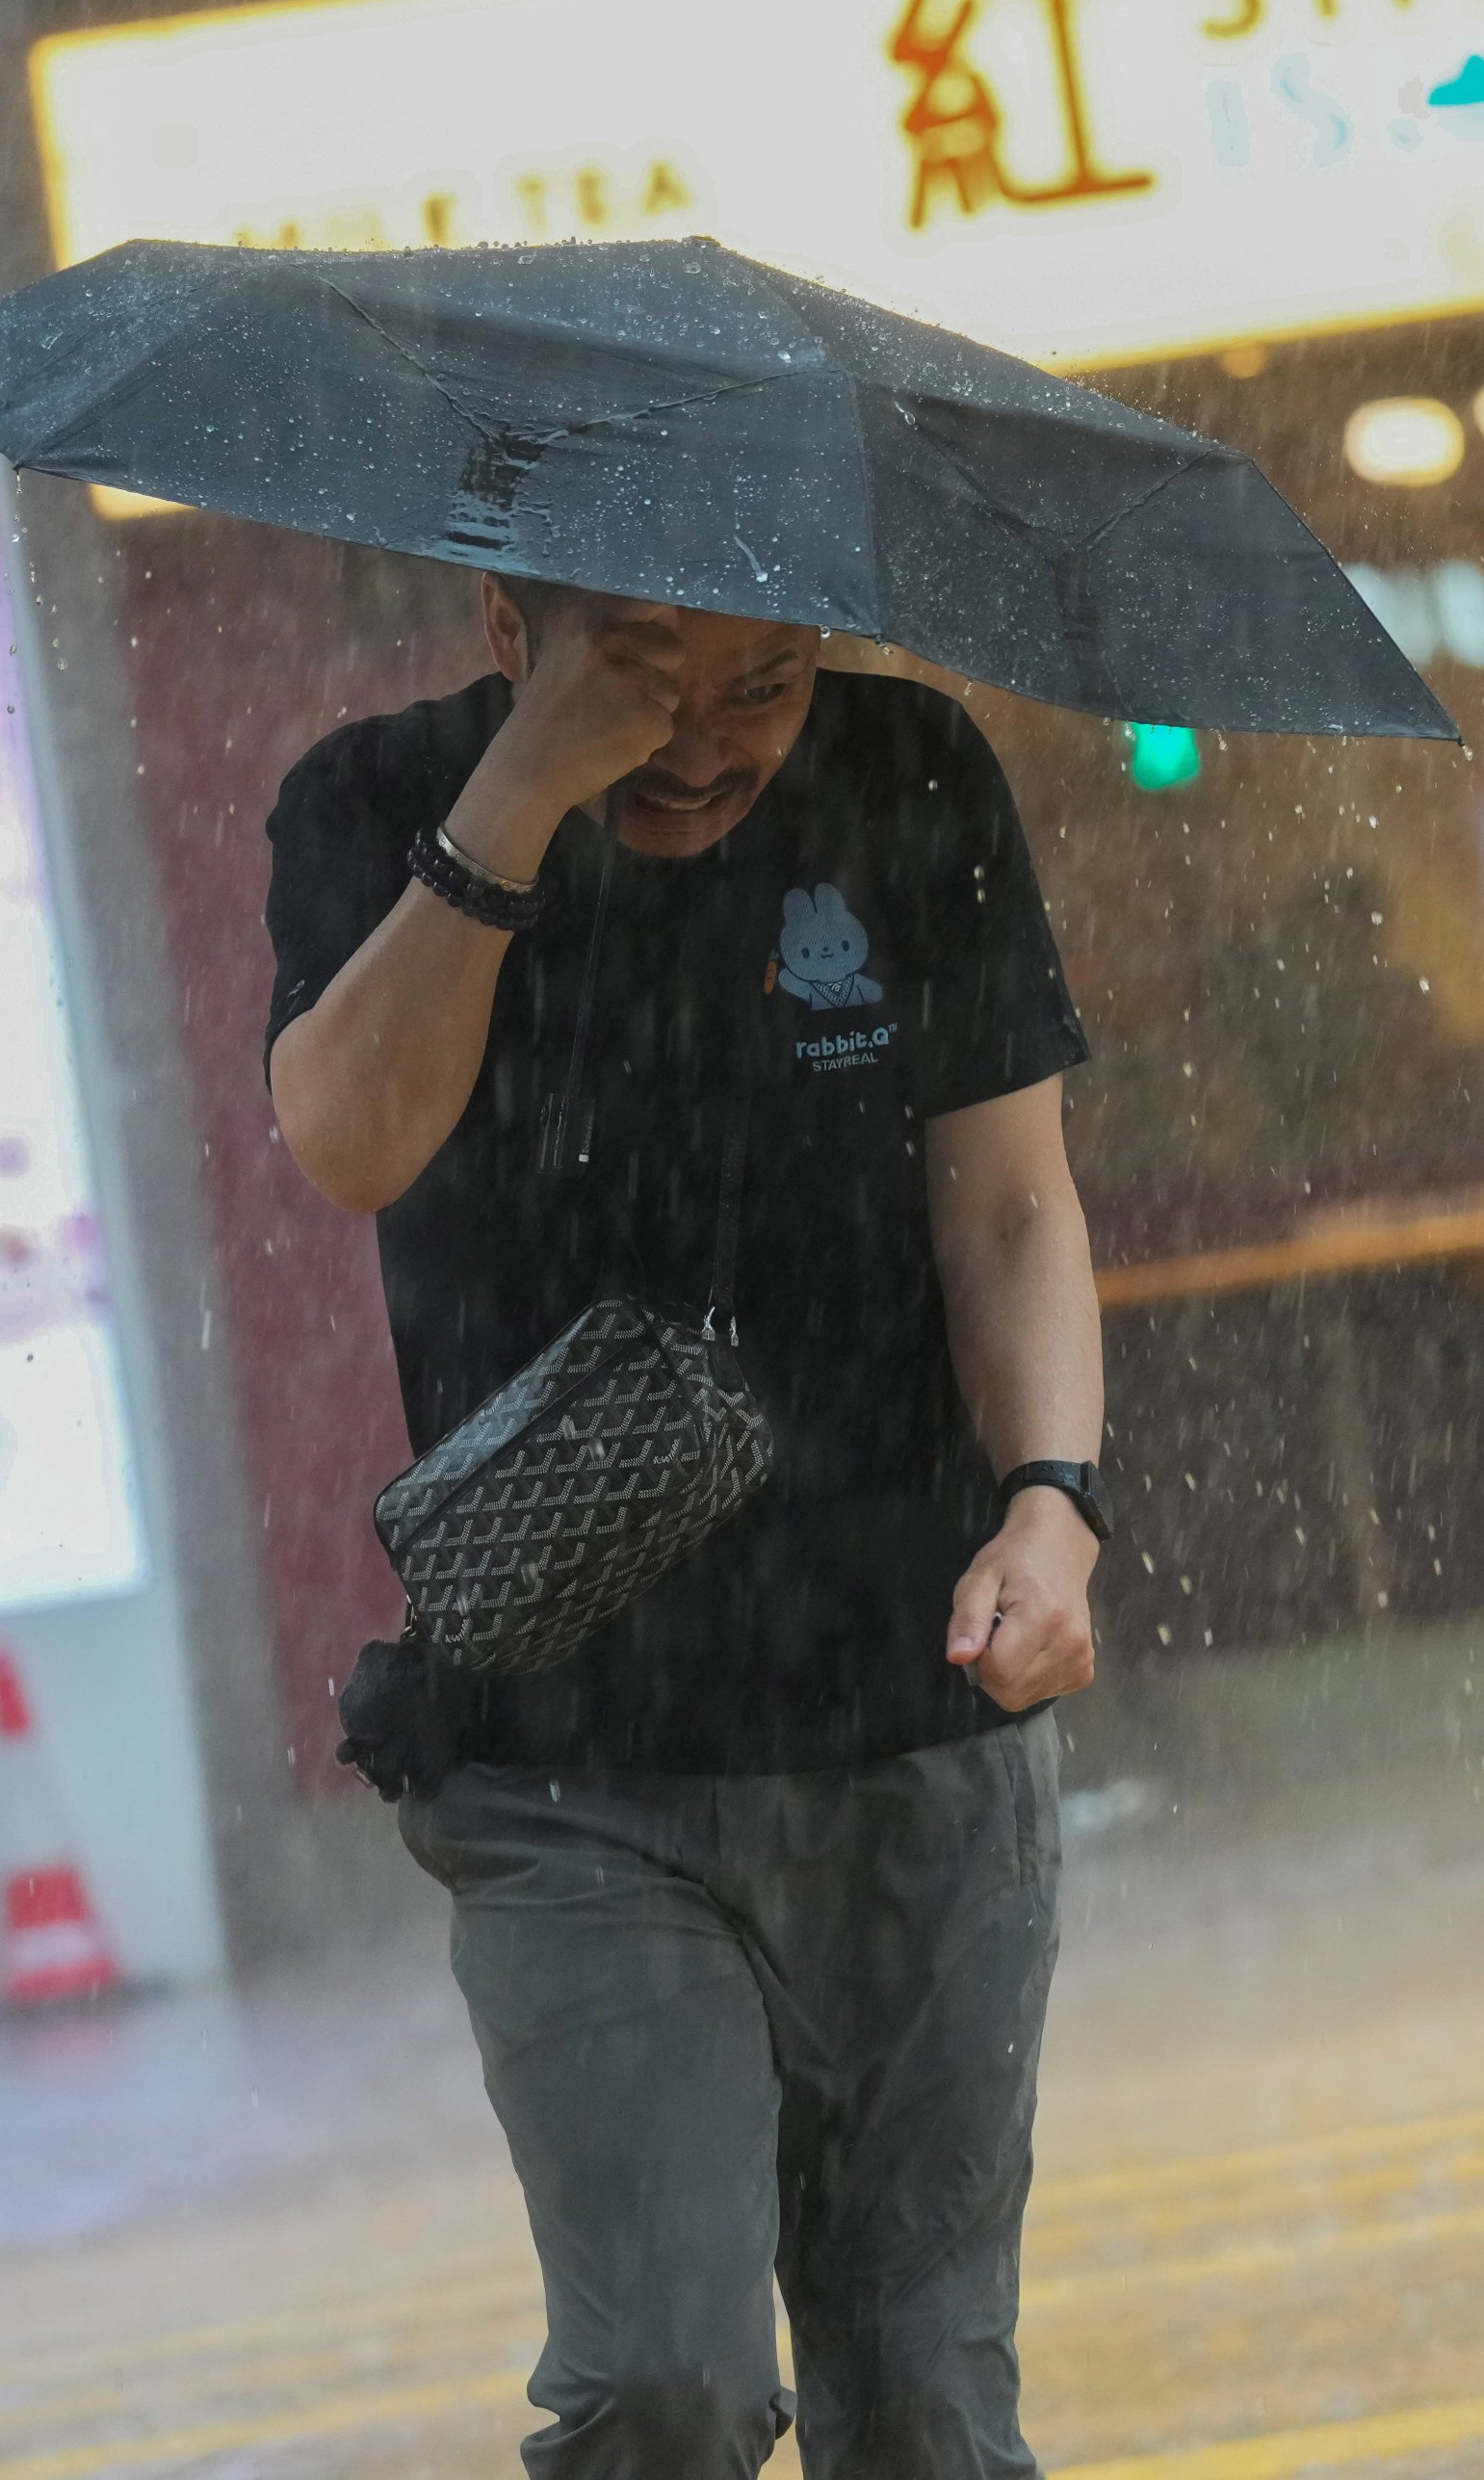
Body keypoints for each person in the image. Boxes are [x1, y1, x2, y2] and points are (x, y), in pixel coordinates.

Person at [264, 575, 1104, 2480]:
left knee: (927, 2411)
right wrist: (520, 800)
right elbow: (347, 1139)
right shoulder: (373, 807)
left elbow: (1009, 1210)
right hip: (573, 1763)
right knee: (666, 2388)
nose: (713, 741)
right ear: (509, 626)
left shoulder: (909, 777)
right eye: (651, 683)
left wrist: (1051, 1506)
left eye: (766, 684)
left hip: (911, 1721)